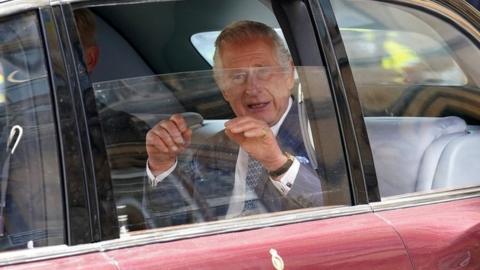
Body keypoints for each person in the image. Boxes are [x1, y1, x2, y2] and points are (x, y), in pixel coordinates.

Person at [144, 20, 323, 227]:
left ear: (289, 74)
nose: (252, 88)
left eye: (263, 71)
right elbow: (170, 224)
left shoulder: (327, 134)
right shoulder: (214, 149)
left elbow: (337, 214)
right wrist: (161, 166)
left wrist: (277, 162)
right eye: (237, 76)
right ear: (224, 89)